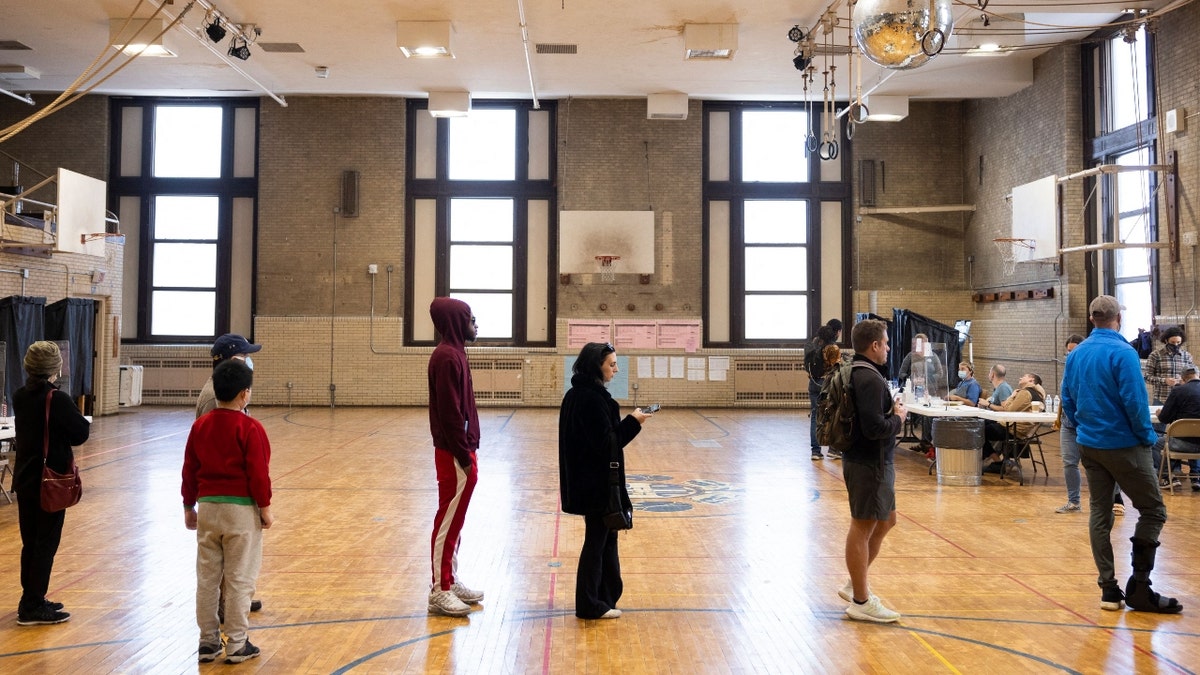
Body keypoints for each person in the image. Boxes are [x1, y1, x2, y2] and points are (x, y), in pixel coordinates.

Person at [1061, 295, 1181, 614]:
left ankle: (1109, 590)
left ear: (1091, 319)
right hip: (1124, 444)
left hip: (1090, 444)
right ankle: (1140, 587)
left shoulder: (1076, 354)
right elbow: (1134, 401)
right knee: (1153, 510)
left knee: (1100, 513)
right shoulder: (1123, 352)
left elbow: (1067, 399)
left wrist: (1084, 425)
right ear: (1118, 320)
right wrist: (1145, 437)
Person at [182, 359, 273, 663]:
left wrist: (187, 505)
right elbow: (258, 473)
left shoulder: (200, 425)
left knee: (207, 578)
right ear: (245, 394)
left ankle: (207, 641)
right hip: (240, 511)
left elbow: (189, 469)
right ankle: (236, 643)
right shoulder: (250, 428)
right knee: (239, 578)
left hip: (208, 508)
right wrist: (265, 507)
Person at [559, 342, 652, 620]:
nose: (616, 369)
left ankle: (604, 597)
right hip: (595, 484)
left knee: (605, 539)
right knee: (597, 541)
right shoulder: (590, 399)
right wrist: (633, 422)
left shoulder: (580, 395)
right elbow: (607, 443)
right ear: (595, 366)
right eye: (611, 364)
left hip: (592, 482)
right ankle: (589, 604)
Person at [13, 341, 90, 626]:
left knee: (30, 543)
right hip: (49, 482)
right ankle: (32, 605)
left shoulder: (20, 395)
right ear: (55, 368)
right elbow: (80, 433)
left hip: (25, 478)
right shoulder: (56, 398)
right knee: (45, 543)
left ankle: (30, 598)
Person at [838, 319, 906, 623]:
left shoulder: (860, 372)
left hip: (873, 462)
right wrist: (899, 418)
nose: (889, 348)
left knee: (887, 520)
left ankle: (856, 579)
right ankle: (861, 600)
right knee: (862, 525)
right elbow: (875, 427)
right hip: (869, 462)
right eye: (886, 343)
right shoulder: (869, 379)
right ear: (875, 345)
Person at [195, 333, 264, 616]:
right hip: (224, 491)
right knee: (226, 554)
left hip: (230, 489)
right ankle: (227, 608)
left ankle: (233, 601)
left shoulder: (228, 392)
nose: (249, 361)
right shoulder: (215, 398)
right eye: (244, 356)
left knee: (232, 553)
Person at [427, 297, 485, 617]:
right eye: (470, 319)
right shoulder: (447, 357)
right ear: (455, 321)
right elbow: (450, 415)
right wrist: (463, 454)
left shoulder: (456, 353)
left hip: (462, 449)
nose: (475, 325)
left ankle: (449, 578)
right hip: (454, 453)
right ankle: (440, 589)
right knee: (448, 519)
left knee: (456, 519)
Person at [981, 373, 1045, 469]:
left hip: (1015, 429)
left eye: (1024, 376)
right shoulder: (1039, 394)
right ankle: (998, 459)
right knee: (985, 423)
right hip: (1022, 429)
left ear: (1031, 380)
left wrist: (1012, 396)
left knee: (979, 431)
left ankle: (997, 461)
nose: (1020, 377)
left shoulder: (1025, 393)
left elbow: (1008, 409)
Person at [1152, 365, 1200, 491]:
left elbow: (1164, 419)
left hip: (1182, 444)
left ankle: (1168, 478)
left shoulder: (1178, 391)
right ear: (1198, 375)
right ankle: (1196, 478)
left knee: (1155, 442)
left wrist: (1159, 414)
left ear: (1183, 379)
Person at [196, 333, 263, 417]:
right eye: (245, 355)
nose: (248, 359)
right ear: (234, 361)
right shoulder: (215, 398)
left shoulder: (231, 389)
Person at [807, 319, 843, 460]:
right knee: (832, 415)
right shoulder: (832, 348)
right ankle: (833, 449)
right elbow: (836, 369)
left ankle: (815, 451)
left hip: (813, 383)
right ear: (837, 332)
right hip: (827, 384)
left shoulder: (812, 345)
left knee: (815, 416)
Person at [1144, 326, 1194, 406]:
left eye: (1178, 342)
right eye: (1173, 342)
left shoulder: (1187, 356)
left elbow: (1192, 377)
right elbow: (1147, 377)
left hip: (1182, 398)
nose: (1176, 345)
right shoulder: (1155, 355)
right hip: (1162, 399)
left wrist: (1185, 381)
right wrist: (1165, 381)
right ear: (1166, 340)